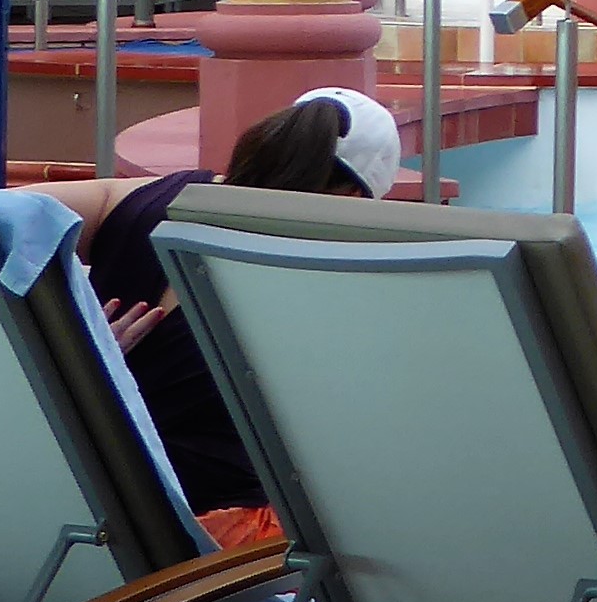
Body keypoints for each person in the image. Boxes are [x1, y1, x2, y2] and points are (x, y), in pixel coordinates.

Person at [50, 88, 404, 519]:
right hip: (211, 538)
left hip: (73, 489)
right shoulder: (308, 287)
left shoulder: (148, 199)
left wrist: (64, 346)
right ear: (352, 199)